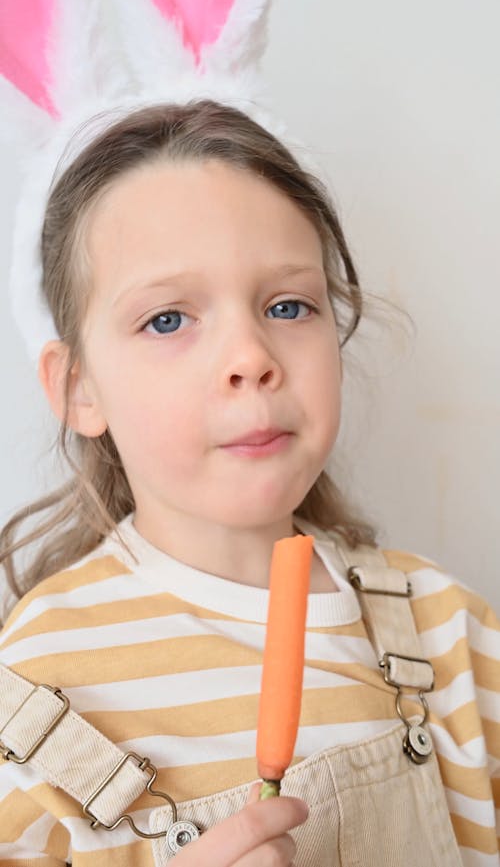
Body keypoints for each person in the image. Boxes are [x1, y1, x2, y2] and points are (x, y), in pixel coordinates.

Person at [0, 99, 498, 867]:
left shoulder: (450, 630)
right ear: (77, 388)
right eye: (168, 319)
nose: (249, 354)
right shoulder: (35, 686)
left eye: (288, 304)